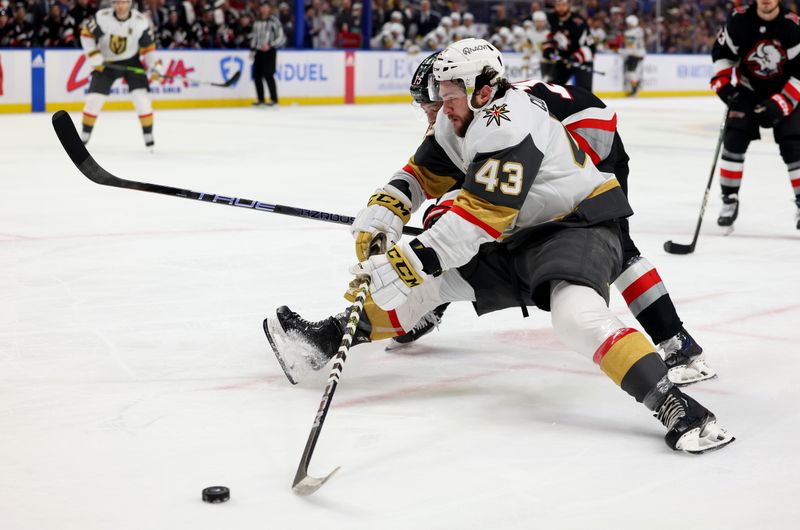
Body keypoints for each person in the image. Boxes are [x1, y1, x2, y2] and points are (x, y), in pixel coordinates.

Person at [263, 39, 734, 455]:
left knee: (576, 315)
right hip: (517, 231)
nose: (441, 108)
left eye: (448, 97)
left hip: (574, 225)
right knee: (425, 290)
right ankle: (325, 338)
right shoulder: (459, 117)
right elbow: (422, 174)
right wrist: (385, 209)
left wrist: (411, 260)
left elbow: (479, 217)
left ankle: (677, 406)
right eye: (440, 97)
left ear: (483, 90)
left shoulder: (511, 124)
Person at [389, 56, 717, 387]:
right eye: (426, 109)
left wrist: (449, 224)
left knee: (615, 244)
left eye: (433, 106)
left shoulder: (493, 119)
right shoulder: (467, 114)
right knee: (483, 231)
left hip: (589, 137)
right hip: (564, 132)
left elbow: (482, 196)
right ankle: (434, 306)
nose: (433, 116)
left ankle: (677, 342)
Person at [711, 0, 800, 229]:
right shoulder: (739, 21)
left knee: (794, 146)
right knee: (734, 139)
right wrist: (723, 86)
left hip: (785, 91)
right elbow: (723, 54)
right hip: (748, 91)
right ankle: (729, 200)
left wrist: (779, 104)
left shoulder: (792, 26)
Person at [79, 0, 157, 149]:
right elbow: (86, 34)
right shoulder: (102, 17)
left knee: (142, 100)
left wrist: (155, 66)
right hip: (107, 62)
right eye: (117, 2)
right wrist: (93, 54)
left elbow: (148, 47)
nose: (120, 6)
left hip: (131, 61)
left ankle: (148, 135)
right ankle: (85, 134)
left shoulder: (140, 21)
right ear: (113, 4)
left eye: (123, 2)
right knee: (94, 99)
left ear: (129, 3)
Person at [542, 0, 594, 91]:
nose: (561, 8)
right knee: (552, 89)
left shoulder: (579, 22)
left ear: (569, 5)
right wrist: (548, 49)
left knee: (583, 92)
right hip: (563, 59)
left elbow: (590, 46)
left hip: (581, 61)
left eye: (563, 5)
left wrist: (576, 57)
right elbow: (550, 36)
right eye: (558, 5)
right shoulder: (551, 19)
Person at [251, 2, 286, 107]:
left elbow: (281, 36)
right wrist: (252, 49)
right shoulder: (257, 21)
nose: (264, 9)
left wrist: (270, 44)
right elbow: (255, 36)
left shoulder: (274, 21)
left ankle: (274, 99)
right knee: (256, 75)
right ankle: (260, 99)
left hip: (269, 51)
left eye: (266, 7)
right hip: (258, 51)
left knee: (268, 74)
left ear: (269, 9)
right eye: (262, 7)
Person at [621, 14, 645, 96]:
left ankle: (635, 88)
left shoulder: (629, 33)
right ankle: (635, 86)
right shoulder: (639, 30)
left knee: (631, 72)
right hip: (640, 53)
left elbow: (629, 45)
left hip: (633, 54)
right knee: (633, 72)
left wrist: (624, 51)